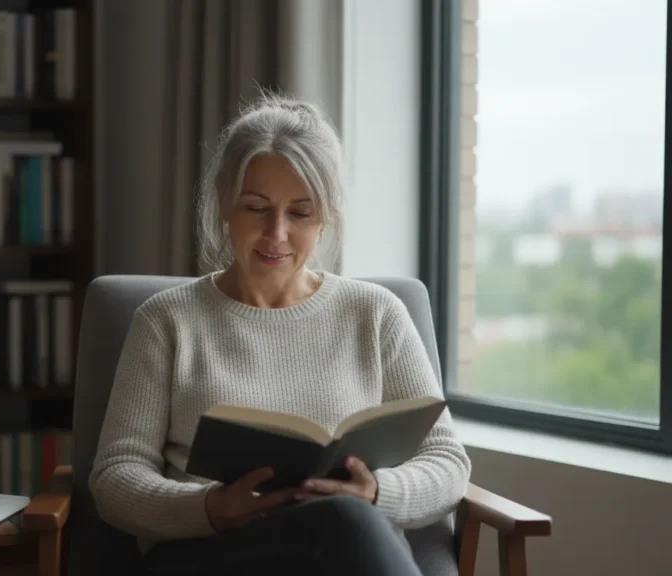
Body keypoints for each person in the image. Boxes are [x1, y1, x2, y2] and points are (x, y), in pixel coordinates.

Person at [88, 92, 472, 575]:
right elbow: (115, 477)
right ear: (225, 201)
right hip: (209, 555)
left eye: (301, 213)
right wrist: (209, 506)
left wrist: (376, 493)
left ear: (326, 215)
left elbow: (447, 461)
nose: (276, 234)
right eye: (256, 208)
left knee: (343, 521)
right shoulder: (166, 322)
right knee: (343, 523)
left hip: (346, 553)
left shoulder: (375, 315)